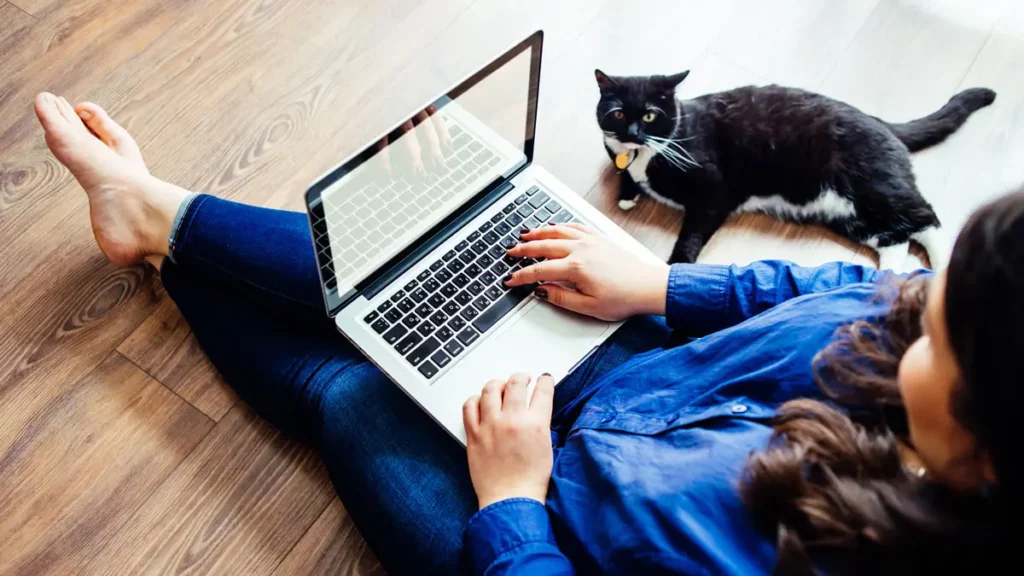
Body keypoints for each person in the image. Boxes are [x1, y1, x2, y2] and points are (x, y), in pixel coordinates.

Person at [34, 91, 1015, 575]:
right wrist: (659, 287)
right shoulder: (923, 312)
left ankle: (158, 242)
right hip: (650, 384)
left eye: (934, 335)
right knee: (474, 267)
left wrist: (512, 504)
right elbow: (833, 284)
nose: (909, 309)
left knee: (356, 393)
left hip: (556, 533)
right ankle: (157, 215)